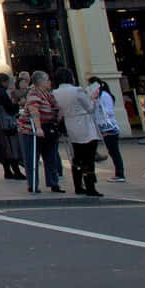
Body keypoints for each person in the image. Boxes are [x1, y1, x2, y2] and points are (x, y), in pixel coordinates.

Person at [51, 69, 102, 197]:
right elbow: (89, 107)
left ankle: (78, 185)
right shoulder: (77, 90)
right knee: (89, 157)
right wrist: (93, 99)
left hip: (70, 123)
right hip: (84, 123)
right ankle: (90, 185)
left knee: (77, 157)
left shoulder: (55, 93)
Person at [18, 71, 64, 193]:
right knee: (32, 157)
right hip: (31, 130)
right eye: (47, 79)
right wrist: (38, 128)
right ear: (41, 82)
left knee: (51, 156)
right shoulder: (33, 93)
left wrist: (58, 113)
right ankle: (33, 184)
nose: (49, 82)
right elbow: (34, 111)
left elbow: (55, 106)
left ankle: (53, 182)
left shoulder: (48, 93)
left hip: (49, 128)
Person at [88, 77, 126, 182]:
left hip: (109, 128)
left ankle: (120, 174)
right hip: (104, 128)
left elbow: (107, 112)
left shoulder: (104, 96)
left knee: (114, 151)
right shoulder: (97, 97)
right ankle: (119, 173)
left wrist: (96, 102)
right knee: (112, 151)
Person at [0, 73, 23, 182]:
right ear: (4, 81)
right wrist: (17, 104)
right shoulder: (1, 92)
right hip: (5, 122)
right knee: (11, 147)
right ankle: (16, 171)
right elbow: (9, 108)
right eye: (8, 82)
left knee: (2, 148)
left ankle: (7, 171)